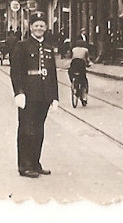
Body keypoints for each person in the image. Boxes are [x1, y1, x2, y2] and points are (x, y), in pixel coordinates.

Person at [9, 13, 59, 178]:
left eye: (42, 25)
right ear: (30, 27)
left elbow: (52, 74)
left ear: (46, 28)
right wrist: (19, 92)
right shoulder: (22, 46)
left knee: (39, 130)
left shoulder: (48, 48)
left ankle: (36, 163)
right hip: (28, 95)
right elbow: (16, 72)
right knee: (26, 130)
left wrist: (54, 97)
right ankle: (25, 166)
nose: (39, 28)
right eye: (36, 25)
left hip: (43, 95)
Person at [68, 38, 92, 103]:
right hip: (81, 65)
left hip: (74, 64)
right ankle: (83, 94)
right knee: (83, 79)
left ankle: (73, 84)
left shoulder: (74, 49)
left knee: (70, 72)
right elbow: (87, 59)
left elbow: (71, 57)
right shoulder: (85, 50)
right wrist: (89, 64)